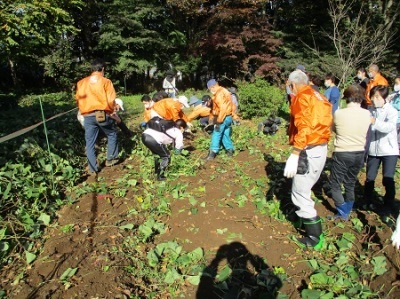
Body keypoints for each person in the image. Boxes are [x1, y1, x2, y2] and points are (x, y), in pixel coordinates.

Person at [284, 70, 332, 249]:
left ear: (293, 84)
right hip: (320, 146)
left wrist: (295, 153)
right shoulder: (317, 95)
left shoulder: (301, 97)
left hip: (308, 148)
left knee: (300, 192)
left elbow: (304, 126)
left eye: (289, 85)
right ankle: (301, 220)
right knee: (306, 185)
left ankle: (315, 238)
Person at [328, 84, 371, 220]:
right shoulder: (367, 113)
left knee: (335, 184)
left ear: (346, 98)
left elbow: (334, 129)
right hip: (359, 153)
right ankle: (348, 208)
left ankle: (343, 211)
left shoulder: (339, 113)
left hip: (343, 152)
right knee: (350, 183)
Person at [75, 60, 120, 175]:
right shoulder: (106, 81)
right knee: (111, 133)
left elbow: (78, 100)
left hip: (87, 115)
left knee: (90, 141)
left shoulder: (81, 83)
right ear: (103, 69)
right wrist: (111, 111)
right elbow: (110, 99)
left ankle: (92, 168)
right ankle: (111, 158)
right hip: (101, 113)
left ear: (91, 70)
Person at [364, 85, 399, 212]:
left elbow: (388, 128)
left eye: (377, 96)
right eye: (372, 96)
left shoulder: (392, 111)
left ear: (384, 97)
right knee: (370, 177)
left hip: (389, 151)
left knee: (387, 178)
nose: (374, 99)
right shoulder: (370, 110)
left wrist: (374, 122)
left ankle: (388, 204)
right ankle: (367, 201)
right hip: (374, 149)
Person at [203, 79, 235, 160]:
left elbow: (223, 108)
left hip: (223, 117)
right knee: (225, 133)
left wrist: (219, 121)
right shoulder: (224, 91)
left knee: (216, 134)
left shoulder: (219, 94)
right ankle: (230, 150)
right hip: (228, 116)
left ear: (212, 87)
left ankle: (212, 153)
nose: (210, 91)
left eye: (210, 89)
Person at [387, 75, 400, 152]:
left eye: (397, 83)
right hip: (395, 119)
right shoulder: (394, 94)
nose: (395, 85)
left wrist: (390, 103)